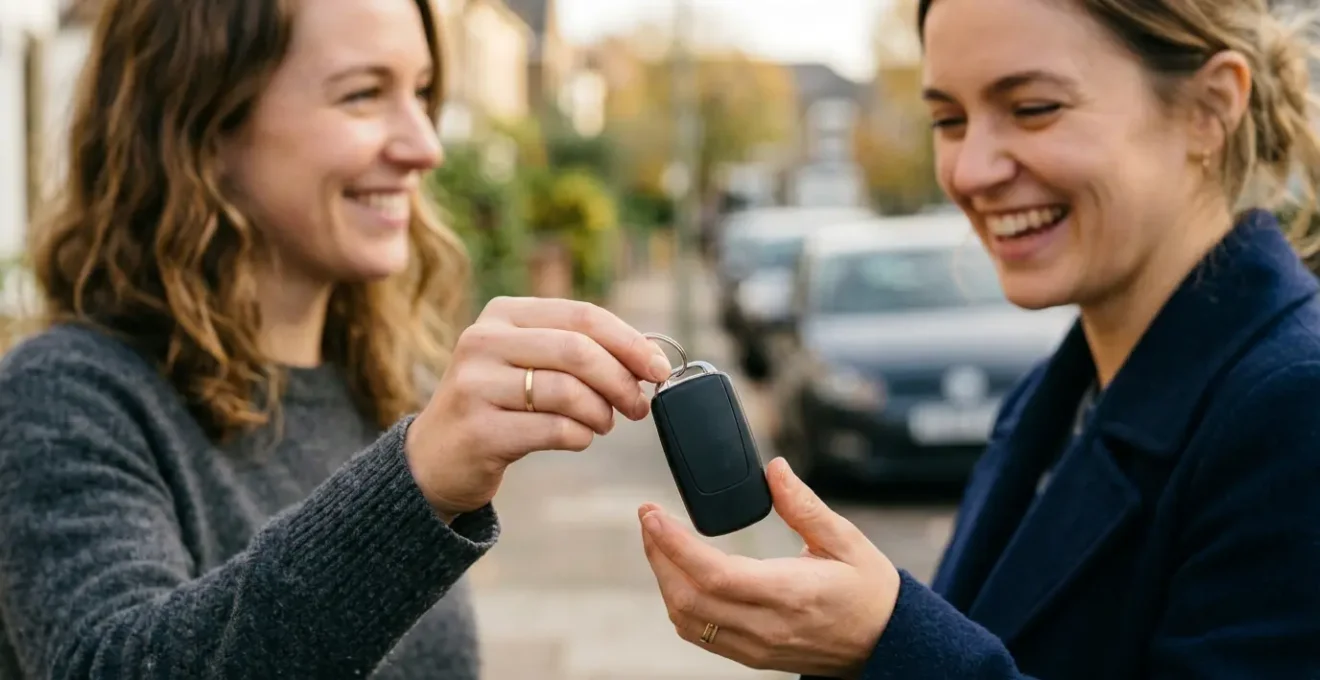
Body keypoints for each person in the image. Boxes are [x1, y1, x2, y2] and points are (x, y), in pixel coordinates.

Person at [636, 0, 1320, 677]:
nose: (970, 171)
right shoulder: (1063, 392)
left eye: (1033, 108)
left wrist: (887, 645)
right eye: (949, 121)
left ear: (1208, 108)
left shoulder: (1295, 410)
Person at [0, 0, 673, 678]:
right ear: (203, 122)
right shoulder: (61, 399)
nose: (425, 146)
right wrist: (415, 483)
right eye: (363, 95)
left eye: (421, 93)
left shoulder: (375, 382)